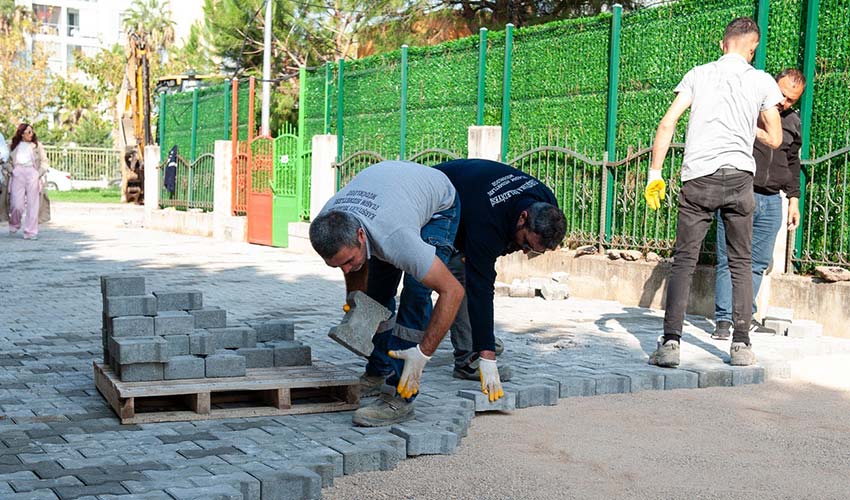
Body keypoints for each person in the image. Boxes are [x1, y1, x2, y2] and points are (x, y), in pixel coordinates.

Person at [644, 17, 783, 368]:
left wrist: (655, 174)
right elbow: (776, 138)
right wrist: (748, 127)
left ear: (723, 44)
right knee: (741, 263)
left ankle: (671, 344)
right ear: (753, 48)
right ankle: (741, 345)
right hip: (739, 179)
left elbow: (667, 122)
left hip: (698, 178)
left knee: (684, 262)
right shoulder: (762, 81)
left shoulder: (698, 74)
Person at [309, 160, 464, 426]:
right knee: (376, 295)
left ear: (361, 235)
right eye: (337, 266)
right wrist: (356, 303)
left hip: (439, 206)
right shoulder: (328, 221)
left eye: (349, 260)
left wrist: (422, 354)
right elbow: (353, 268)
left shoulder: (395, 238)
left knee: (416, 293)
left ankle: (401, 395)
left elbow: (453, 291)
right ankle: (378, 370)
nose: (346, 269)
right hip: (392, 198)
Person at [433, 159, 566, 401]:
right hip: (437, 200)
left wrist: (485, 340)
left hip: (472, 195)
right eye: (526, 244)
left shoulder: (546, 202)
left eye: (534, 251)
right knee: (455, 276)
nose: (524, 251)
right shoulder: (488, 224)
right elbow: (481, 289)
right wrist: (487, 356)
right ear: (523, 218)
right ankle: (465, 359)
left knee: (465, 273)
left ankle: (478, 341)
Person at [713, 69, 806, 339]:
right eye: (782, 95)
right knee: (729, 259)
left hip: (772, 199)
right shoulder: (748, 109)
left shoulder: (793, 122)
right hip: (739, 192)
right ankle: (723, 321)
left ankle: (745, 318)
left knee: (757, 262)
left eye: (791, 100)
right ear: (772, 86)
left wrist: (794, 200)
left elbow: (793, 162)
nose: (784, 103)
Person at [2, 123, 49, 240]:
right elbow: (6, 161)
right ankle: (14, 223)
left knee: (33, 205)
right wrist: (12, 171)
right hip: (17, 174)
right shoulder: (13, 145)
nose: (31, 134)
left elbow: (45, 161)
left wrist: (38, 173)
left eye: (32, 131)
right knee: (16, 205)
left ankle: (31, 232)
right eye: (28, 132)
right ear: (22, 134)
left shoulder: (37, 146)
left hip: (32, 173)